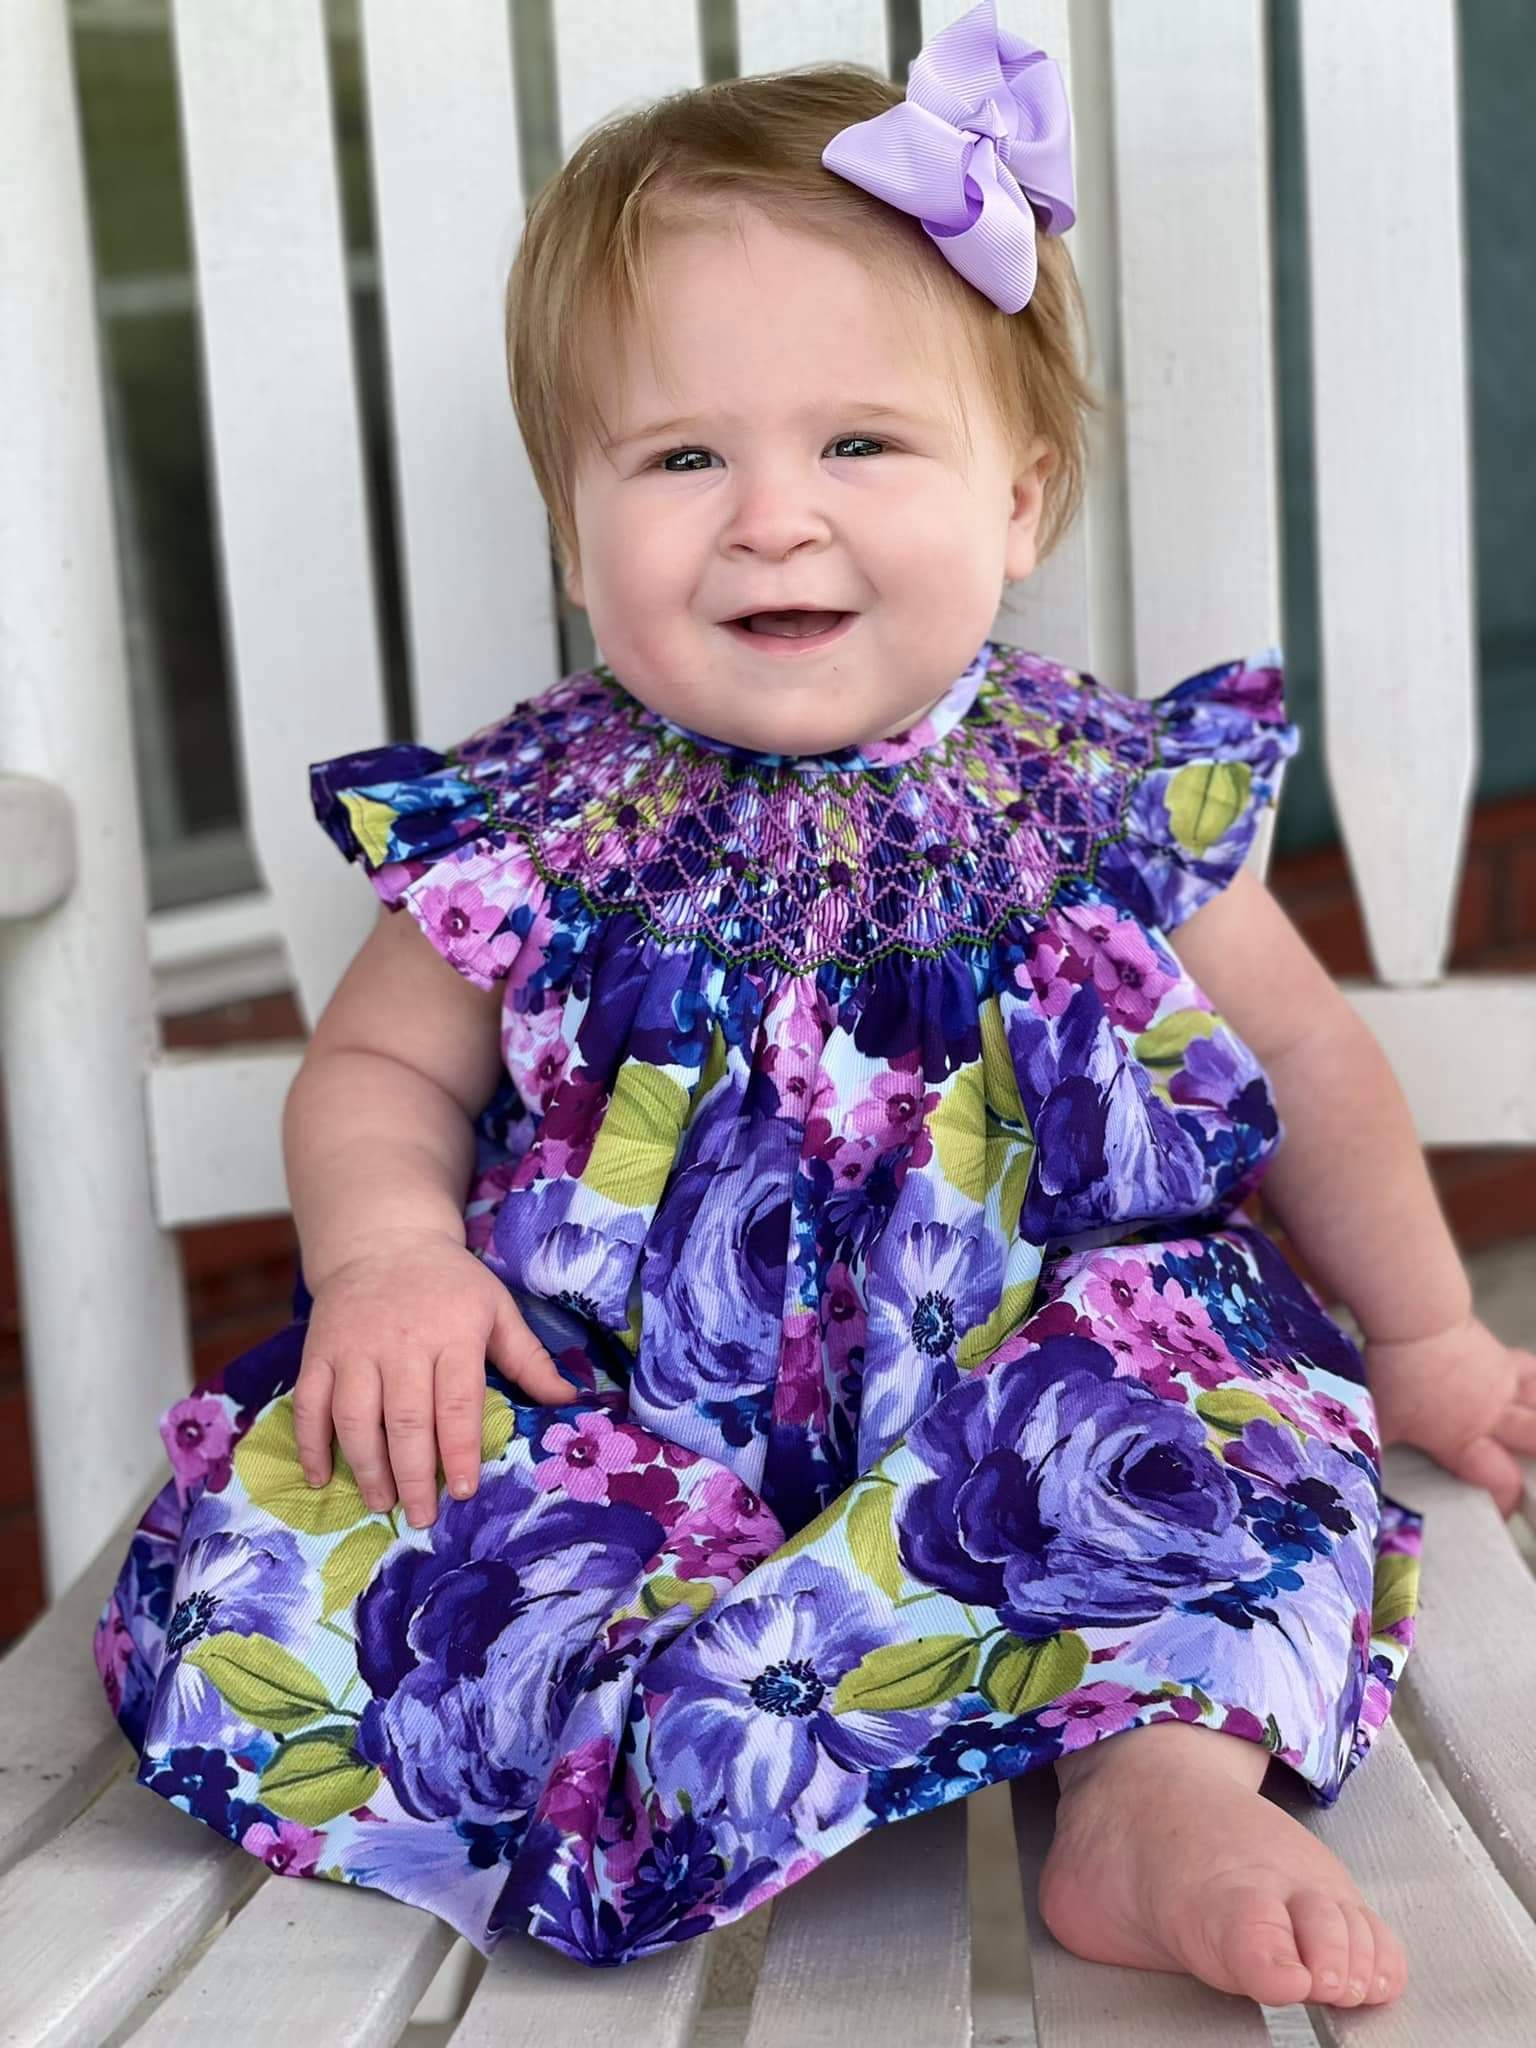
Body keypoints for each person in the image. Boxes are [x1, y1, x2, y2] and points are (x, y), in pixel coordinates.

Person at [93, 0, 1536, 2006]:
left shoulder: (1100, 799)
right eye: (683, 456)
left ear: (1018, 502)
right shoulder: (535, 823)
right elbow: (372, 1073)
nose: (774, 514)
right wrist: (387, 1261)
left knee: (1209, 1424)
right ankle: (681, 1740)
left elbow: (1307, 1059)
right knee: (324, 1538)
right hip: (624, 1425)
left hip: (1032, 1394)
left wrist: (1433, 1328)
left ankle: (1151, 1782)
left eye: (861, 442)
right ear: (580, 532)